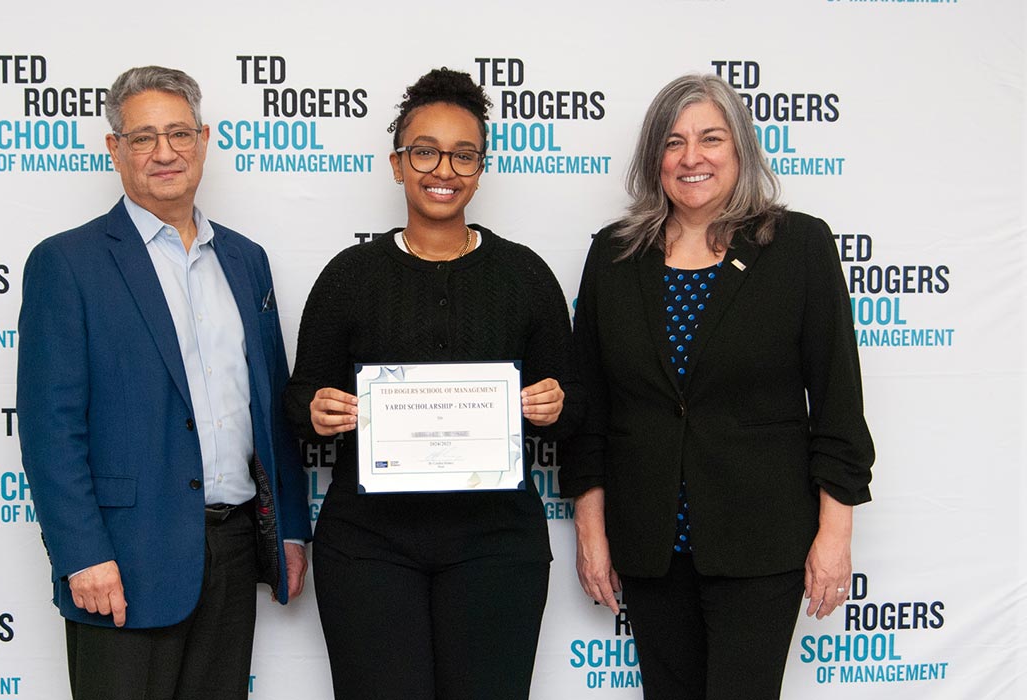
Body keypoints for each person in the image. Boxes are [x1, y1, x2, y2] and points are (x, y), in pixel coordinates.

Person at [561, 73, 875, 700]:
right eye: (673, 142)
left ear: (741, 151)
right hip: (649, 543)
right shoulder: (614, 255)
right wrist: (592, 534)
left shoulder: (799, 246)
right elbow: (589, 412)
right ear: (655, 158)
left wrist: (834, 538)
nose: (691, 157)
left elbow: (838, 404)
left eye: (711, 138)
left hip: (761, 541)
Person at [284, 67, 582, 700]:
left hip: (497, 547)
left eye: (463, 155)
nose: (443, 169)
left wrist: (555, 404)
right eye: (425, 151)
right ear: (398, 164)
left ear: (480, 168)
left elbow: (578, 405)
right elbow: (297, 396)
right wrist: (317, 408)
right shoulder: (348, 276)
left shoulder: (526, 276)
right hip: (368, 547)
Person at [16, 65, 312, 700]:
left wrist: (289, 527)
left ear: (204, 139)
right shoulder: (67, 264)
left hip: (233, 550)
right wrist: (80, 555)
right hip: (123, 557)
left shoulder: (245, 259)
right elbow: (50, 430)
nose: (165, 153)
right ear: (114, 149)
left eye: (179, 133)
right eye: (143, 137)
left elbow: (270, 403)